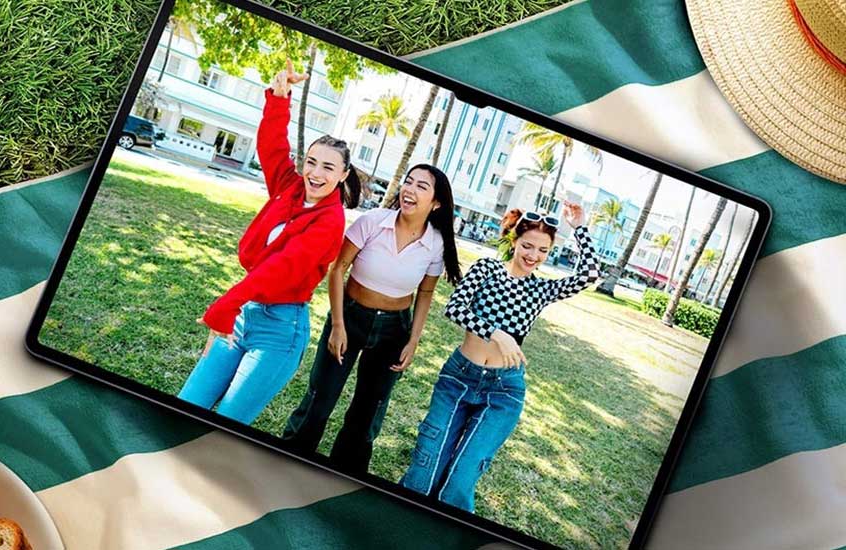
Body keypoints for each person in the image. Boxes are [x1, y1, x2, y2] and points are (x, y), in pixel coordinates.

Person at [177, 60, 361, 425]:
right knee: (187, 404)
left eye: (328, 167)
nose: (315, 173)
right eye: (311, 162)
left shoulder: (330, 221)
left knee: (224, 426)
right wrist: (279, 97)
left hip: (279, 330)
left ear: (343, 175)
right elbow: (273, 146)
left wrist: (226, 304)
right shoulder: (290, 186)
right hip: (245, 311)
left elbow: (280, 269)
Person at [400, 202, 600, 512]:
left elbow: (590, 274)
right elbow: (454, 309)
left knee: (460, 479)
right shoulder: (486, 268)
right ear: (514, 241)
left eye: (543, 251)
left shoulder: (542, 290)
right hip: (459, 379)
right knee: (424, 471)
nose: (533, 255)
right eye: (528, 246)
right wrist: (497, 333)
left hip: (503, 391)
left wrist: (580, 227)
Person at [282, 164, 462, 473]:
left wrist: (413, 340)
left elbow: (426, 292)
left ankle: (344, 474)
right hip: (350, 316)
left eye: (421, 186)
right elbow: (338, 269)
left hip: (395, 329)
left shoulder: (435, 243)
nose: (409, 190)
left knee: (369, 410)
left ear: (436, 203)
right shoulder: (373, 221)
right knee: (320, 398)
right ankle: (288, 459)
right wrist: (338, 325)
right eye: (408, 182)